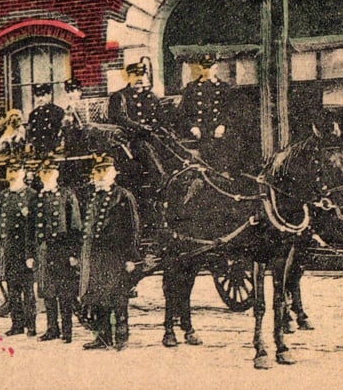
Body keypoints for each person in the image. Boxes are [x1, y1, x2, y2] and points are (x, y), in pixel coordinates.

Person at [78, 152, 141, 351]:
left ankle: (121, 336)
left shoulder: (123, 196)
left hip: (117, 255)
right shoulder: (92, 196)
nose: (101, 174)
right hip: (96, 254)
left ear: (114, 172)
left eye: (105, 170)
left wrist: (131, 257)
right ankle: (102, 337)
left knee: (118, 296)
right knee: (98, 296)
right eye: (98, 171)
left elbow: (133, 228)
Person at [34, 155, 82, 343]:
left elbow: (75, 226)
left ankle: (67, 331)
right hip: (44, 250)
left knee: (65, 292)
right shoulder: (39, 197)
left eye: (50, 172)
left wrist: (73, 253)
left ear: (56, 173)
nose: (46, 176)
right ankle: (51, 328)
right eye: (43, 172)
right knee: (48, 291)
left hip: (62, 249)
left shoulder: (66, 195)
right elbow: (34, 228)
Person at [0, 155, 37, 336]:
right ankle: (17, 324)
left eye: (16, 170)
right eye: (10, 171)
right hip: (7, 250)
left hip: (24, 251)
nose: (12, 174)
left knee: (28, 291)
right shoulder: (3, 196)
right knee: (13, 290)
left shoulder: (32, 196)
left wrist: (32, 254)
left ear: (23, 172)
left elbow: (34, 229)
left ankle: (31, 326)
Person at [106, 60, 166, 193]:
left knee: (168, 142)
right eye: (135, 75)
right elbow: (119, 118)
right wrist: (140, 127)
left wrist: (154, 126)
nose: (139, 78)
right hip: (130, 138)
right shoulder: (120, 97)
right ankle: (159, 178)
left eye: (142, 75)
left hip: (151, 134)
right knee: (143, 147)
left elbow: (160, 116)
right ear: (129, 77)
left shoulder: (151, 96)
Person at [176, 53, 236, 175]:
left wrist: (223, 125)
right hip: (199, 131)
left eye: (211, 68)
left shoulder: (224, 88)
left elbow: (231, 111)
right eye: (205, 68)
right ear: (200, 69)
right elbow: (182, 112)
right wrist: (192, 127)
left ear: (216, 68)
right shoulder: (191, 88)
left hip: (219, 130)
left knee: (225, 157)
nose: (208, 71)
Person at [25, 83, 64, 159]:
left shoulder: (57, 111)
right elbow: (29, 132)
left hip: (52, 151)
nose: (40, 99)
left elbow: (60, 131)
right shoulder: (33, 114)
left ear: (49, 95)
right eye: (37, 96)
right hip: (36, 152)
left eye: (43, 95)